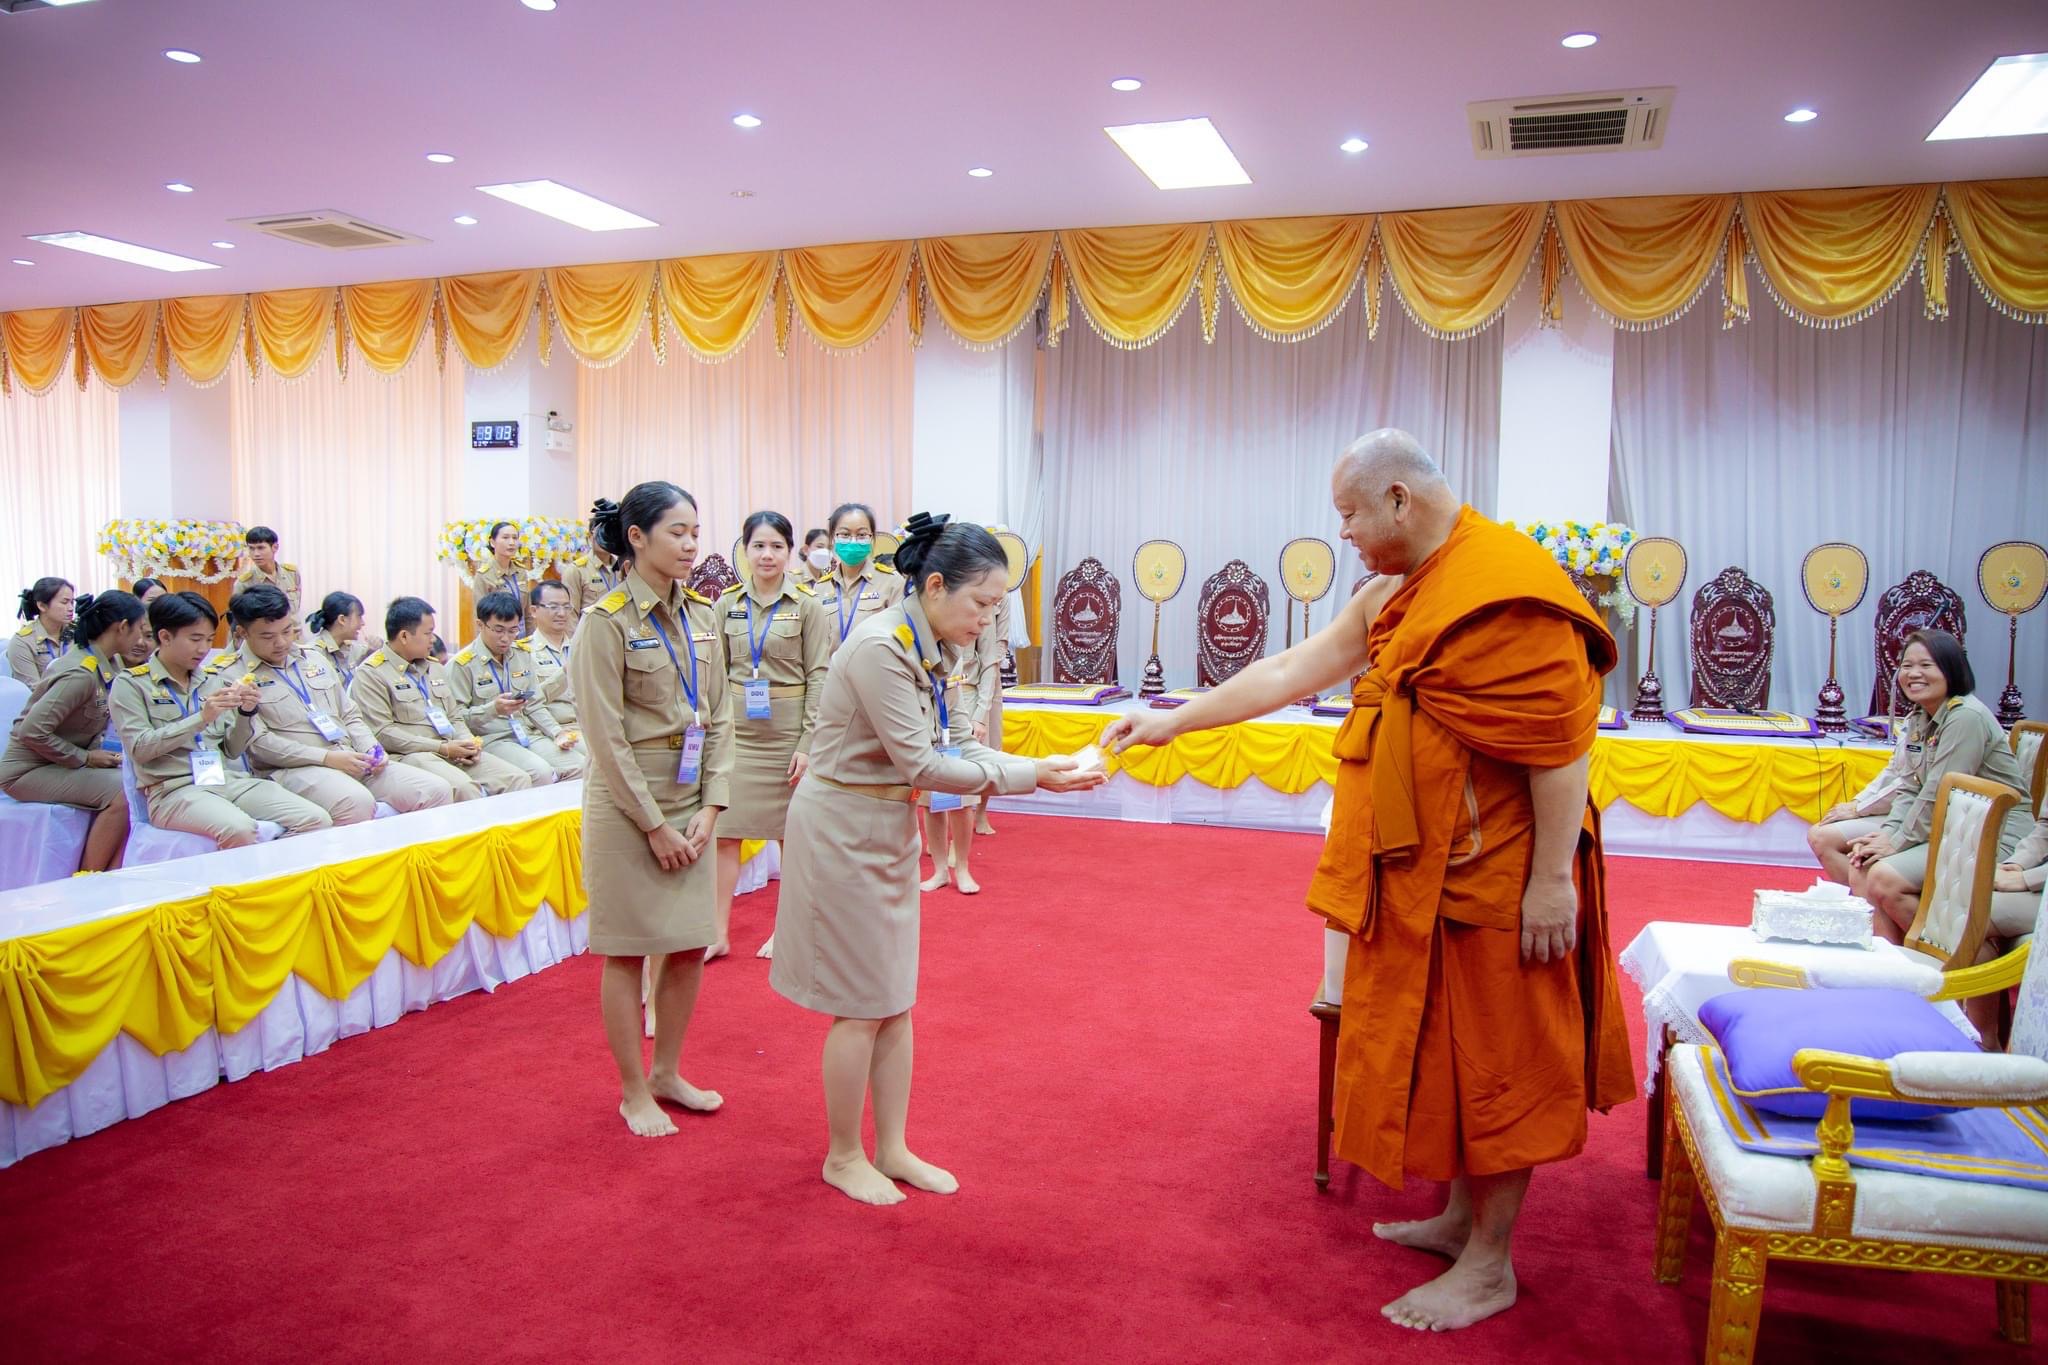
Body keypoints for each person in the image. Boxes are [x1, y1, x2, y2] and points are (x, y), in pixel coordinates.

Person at [1105, 430, 1636, 1332]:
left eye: (1350, 513)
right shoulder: (1396, 591)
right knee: (1450, 1053)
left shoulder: (1508, 587)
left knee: (1503, 1061)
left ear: (1398, 499)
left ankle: (1491, 1265)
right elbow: (1292, 669)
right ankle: (1461, 1218)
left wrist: (1552, 881)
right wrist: (1173, 721)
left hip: (1502, 875)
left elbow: (1562, 746)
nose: (1342, 531)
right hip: (1423, 872)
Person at [769, 514, 1105, 1204]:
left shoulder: (933, 646)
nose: (987, 619)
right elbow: (925, 762)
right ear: (933, 585)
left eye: (997, 607)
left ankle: (890, 1147)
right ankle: (842, 1154)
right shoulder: (880, 648)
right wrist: (1033, 776)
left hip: (883, 822)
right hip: (841, 828)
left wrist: (1039, 765)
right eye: (981, 603)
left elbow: (957, 746)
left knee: (894, 998)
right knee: (859, 1005)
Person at [568, 482, 733, 1137]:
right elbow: (605, 738)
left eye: (696, 530)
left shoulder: (702, 614)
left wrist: (713, 804)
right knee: (628, 950)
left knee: (690, 944)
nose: (692, 543)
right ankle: (634, 1089)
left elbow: (718, 714)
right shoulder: (604, 622)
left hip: (688, 798)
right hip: (626, 806)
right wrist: (655, 824)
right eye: (677, 531)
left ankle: (668, 1071)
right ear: (636, 537)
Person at [1848, 631, 2033, 941]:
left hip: (1995, 836)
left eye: (1926, 665)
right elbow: (1910, 786)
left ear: (1951, 669)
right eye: (1907, 665)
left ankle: (1947, 965)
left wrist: (1897, 842)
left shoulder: (1966, 717)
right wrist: (1888, 834)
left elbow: (1938, 793)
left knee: (1882, 876)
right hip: (1955, 831)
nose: (1914, 674)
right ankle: (1894, 967)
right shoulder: (1922, 715)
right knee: (1863, 863)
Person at [111, 592, 330, 847]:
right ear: (165, 637)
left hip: (224, 780)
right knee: (240, 829)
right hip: (174, 790)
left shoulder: (210, 679)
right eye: (195, 639)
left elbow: (232, 750)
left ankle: (279, 884)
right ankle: (245, 887)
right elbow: (139, 749)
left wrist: (246, 713)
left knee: (316, 819)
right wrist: (200, 719)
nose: (204, 649)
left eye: (208, 639)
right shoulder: (132, 684)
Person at [709, 511, 831, 962]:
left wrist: (807, 743)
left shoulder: (808, 606)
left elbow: (820, 675)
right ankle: (717, 932)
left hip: (786, 734)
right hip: (738, 732)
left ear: (789, 552)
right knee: (725, 832)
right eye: (758, 545)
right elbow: (715, 676)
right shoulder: (725, 605)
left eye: (776, 546)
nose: (766, 555)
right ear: (745, 549)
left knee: (790, 836)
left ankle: (789, 932)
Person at [228, 584, 451, 821]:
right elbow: (260, 743)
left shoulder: (313, 659)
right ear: (243, 633)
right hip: (295, 768)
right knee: (355, 801)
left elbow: (349, 714)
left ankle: (413, 859)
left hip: (350, 756)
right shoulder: (232, 676)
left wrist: (370, 748)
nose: (282, 643)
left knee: (437, 790)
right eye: (268, 636)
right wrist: (328, 759)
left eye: (287, 631)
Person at [0, 590, 145, 871]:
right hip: (27, 771)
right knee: (123, 792)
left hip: (58, 764)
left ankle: (117, 872)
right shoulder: (80, 674)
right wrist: (85, 758)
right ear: (122, 627)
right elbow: (31, 731)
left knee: (137, 779)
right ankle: (89, 877)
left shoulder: (109, 662)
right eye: (139, 630)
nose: (141, 640)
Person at [350, 597, 533, 802]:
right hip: (414, 754)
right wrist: (442, 748)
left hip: (452, 747)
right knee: (464, 788)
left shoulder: (434, 667)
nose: (433, 640)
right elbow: (384, 733)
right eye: (428, 633)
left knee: (518, 779)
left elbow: (453, 715)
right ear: (403, 636)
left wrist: (468, 742)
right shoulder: (372, 673)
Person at [921, 586, 1011, 889]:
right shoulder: (920, 617)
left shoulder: (975, 613)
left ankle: (962, 867)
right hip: (925, 709)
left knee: (963, 795)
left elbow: (989, 661)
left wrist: (979, 716)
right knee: (930, 795)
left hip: (959, 704)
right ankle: (938, 870)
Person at [448, 591, 585, 785]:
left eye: (513, 630)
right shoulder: (462, 664)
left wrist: (557, 732)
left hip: (526, 732)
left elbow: (534, 704)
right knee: (540, 772)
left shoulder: (521, 655)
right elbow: (456, 718)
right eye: (498, 630)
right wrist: (492, 710)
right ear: (480, 625)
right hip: (492, 738)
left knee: (581, 765)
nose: (506, 638)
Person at [819, 502, 903, 655]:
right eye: (845, 534)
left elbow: (902, 638)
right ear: (832, 538)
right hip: (830, 676)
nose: (853, 541)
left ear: (872, 538)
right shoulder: (820, 588)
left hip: (875, 674)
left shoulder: (892, 583)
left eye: (861, 535)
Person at [526, 579, 579, 732]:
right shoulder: (523, 653)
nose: (561, 613)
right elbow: (528, 701)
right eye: (553, 607)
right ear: (534, 611)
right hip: (551, 729)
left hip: (588, 726)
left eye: (566, 607)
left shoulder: (581, 648)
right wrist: (564, 673)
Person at [461, 521, 528, 629]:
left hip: (521, 636)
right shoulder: (484, 575)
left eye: (515, 538)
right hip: (497, 637)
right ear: (492, 542)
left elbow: (528, 613)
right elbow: (480, 617)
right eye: (505, 537)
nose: (511, 542)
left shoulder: (521, 572)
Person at [10, 576, 74, 684]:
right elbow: (34, 691)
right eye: (64, 602)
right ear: (42, 606)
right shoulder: (22, 642)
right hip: (46, 699)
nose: (71, 608)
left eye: (72, 602)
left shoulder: (76, 632)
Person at [307, 592, 373, 689]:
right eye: (359, 617)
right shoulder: (313, 653)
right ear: (342, 619)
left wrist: (376, 646)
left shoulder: (353, 649)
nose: (362, 623)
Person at [233, 526, 302, 618]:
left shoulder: (292, 572)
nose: (256, 554)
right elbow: (238, 618)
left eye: (261, 548)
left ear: (275, 547)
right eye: (251, 548)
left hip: (294, 630)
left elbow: (296, 608)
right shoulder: (244, 583)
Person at [560, 541, 623, 622]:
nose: (603, 538)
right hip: (590, 632)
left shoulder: (623, 567)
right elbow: (570, 614)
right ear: (590, 537)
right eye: (599, 532)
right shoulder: (576, 570)